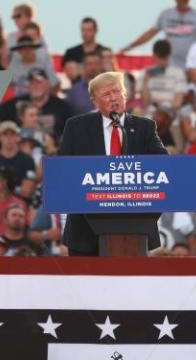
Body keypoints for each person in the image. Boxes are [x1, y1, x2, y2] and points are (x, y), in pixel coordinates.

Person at [57, 71, 168, 255]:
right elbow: (63, 169)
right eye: (107, 94)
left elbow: (164, 165)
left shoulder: (144, 127)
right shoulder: (77, 127)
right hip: (84, 228)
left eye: (117, 92)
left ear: (125, 95)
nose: (114, 98)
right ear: (94, 101)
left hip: (134, 227)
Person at [119, 0, 196, 68]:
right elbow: (150, 33)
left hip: (192, 64)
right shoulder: (166, 14)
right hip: (171, 64)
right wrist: (129, 47)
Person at [0, 70, 72, 142]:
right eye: (32, 82)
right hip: (20, 149)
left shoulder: (62, 106)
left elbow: (70, 131)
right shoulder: (14, 103)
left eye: (39, 82)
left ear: (47, 84)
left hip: (53, 150)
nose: (35, 86)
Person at [140, 40, 187, 112]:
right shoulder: (146, 73)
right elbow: (145, 102)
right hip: (150, 116)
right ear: (154, 55)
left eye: (164, 57)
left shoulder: (178, 73)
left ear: (169, 56)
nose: (162, 61)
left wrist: (155, 102)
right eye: (159, 57)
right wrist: (145, 81)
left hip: (169, 116)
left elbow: (177, 104)